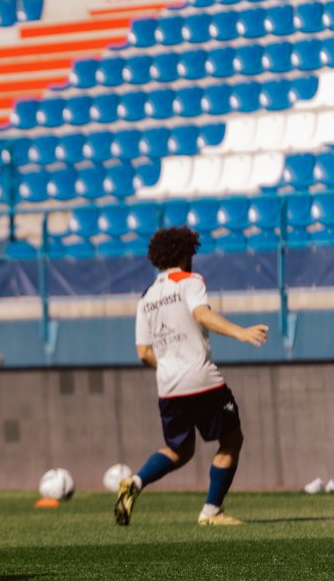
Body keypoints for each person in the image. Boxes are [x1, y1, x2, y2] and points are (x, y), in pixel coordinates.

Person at [115, 226, 268, 527]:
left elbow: (143, 352)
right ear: (186, 254)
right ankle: (211, 512)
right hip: (201, 379)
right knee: (231, 438)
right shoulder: (190, 281)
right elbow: (201, 314)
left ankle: (135, 481)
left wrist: (171, 366)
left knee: (179, 450)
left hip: (168, 386)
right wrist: (241, 332)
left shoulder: (146, 297)